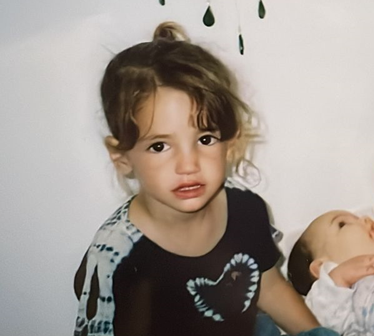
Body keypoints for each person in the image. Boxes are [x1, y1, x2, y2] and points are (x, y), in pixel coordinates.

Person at [74, 22, 321, 336]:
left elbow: (267, 286)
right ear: (122, 157)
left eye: (205, 139)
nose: (188, 164)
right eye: (159, 146)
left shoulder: (246, 208)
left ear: (229, 144)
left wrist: (318, 333)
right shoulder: (120, 257)